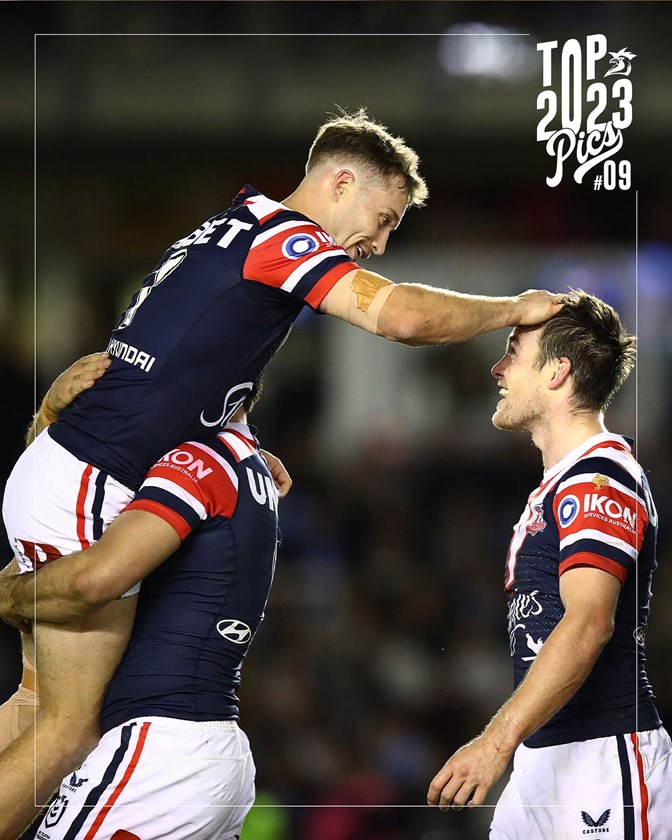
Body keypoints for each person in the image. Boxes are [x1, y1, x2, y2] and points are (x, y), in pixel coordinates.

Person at [1, 107, 562, 838]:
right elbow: (401, 319)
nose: (381, 243)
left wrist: (228, 434)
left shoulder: (231, 225)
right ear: (340, 181)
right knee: (69, 730)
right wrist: (515, 306)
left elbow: (181, 358)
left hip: (64, 467)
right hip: (88, 479)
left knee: (33, 707)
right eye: (383, 218)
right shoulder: (285, 238)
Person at [427, 291, 671, 837]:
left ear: (558, 372)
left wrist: (494, 742)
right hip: (542, 759)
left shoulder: (598, 479)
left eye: (513, 351)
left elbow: (588, 623)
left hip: (600, 763)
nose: (498, 367)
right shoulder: (561, 484)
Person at [2, 373, 275, 840]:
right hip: (195, 748)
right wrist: (49, 417)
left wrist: (8, 595)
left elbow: (89, 580)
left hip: (158, 749)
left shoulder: (196, 459)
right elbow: (63, 517)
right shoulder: (240, 462)